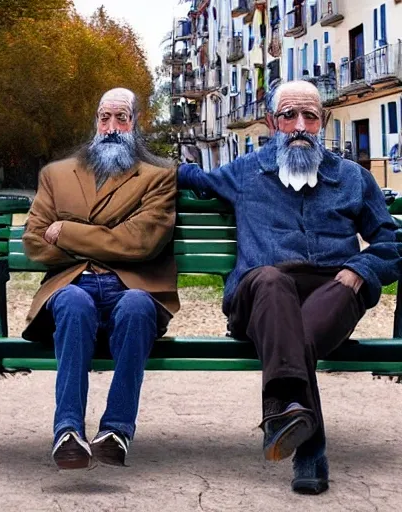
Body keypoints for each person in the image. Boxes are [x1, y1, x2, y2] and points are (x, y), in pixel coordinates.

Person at [178, 80, 401, 494]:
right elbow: (194, 178)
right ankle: (310, 452)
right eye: (288, 116)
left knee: (332, 294)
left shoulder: (353, 179)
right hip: (260, 294)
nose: (300, 125)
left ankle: (285, 412)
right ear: (271, 122)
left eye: (310, 116)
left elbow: (389, 244)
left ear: (323, 122)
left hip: (331, 292)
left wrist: (360, 270)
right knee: (270, 278)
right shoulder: (246, 171)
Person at [22, 88, 179, 470]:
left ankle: (116, 431)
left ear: (136, 124)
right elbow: (34, 242)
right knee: (74, 303)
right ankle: (68, 432)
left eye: (121, 118)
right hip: (72, 286)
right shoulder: (56, 174)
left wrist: (68, 232)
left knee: (138, 305)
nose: (111, 127)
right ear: (96, 121)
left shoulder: (158, 177)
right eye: (104, 118)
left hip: (132, 287)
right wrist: (109, 239)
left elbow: (140, 242)